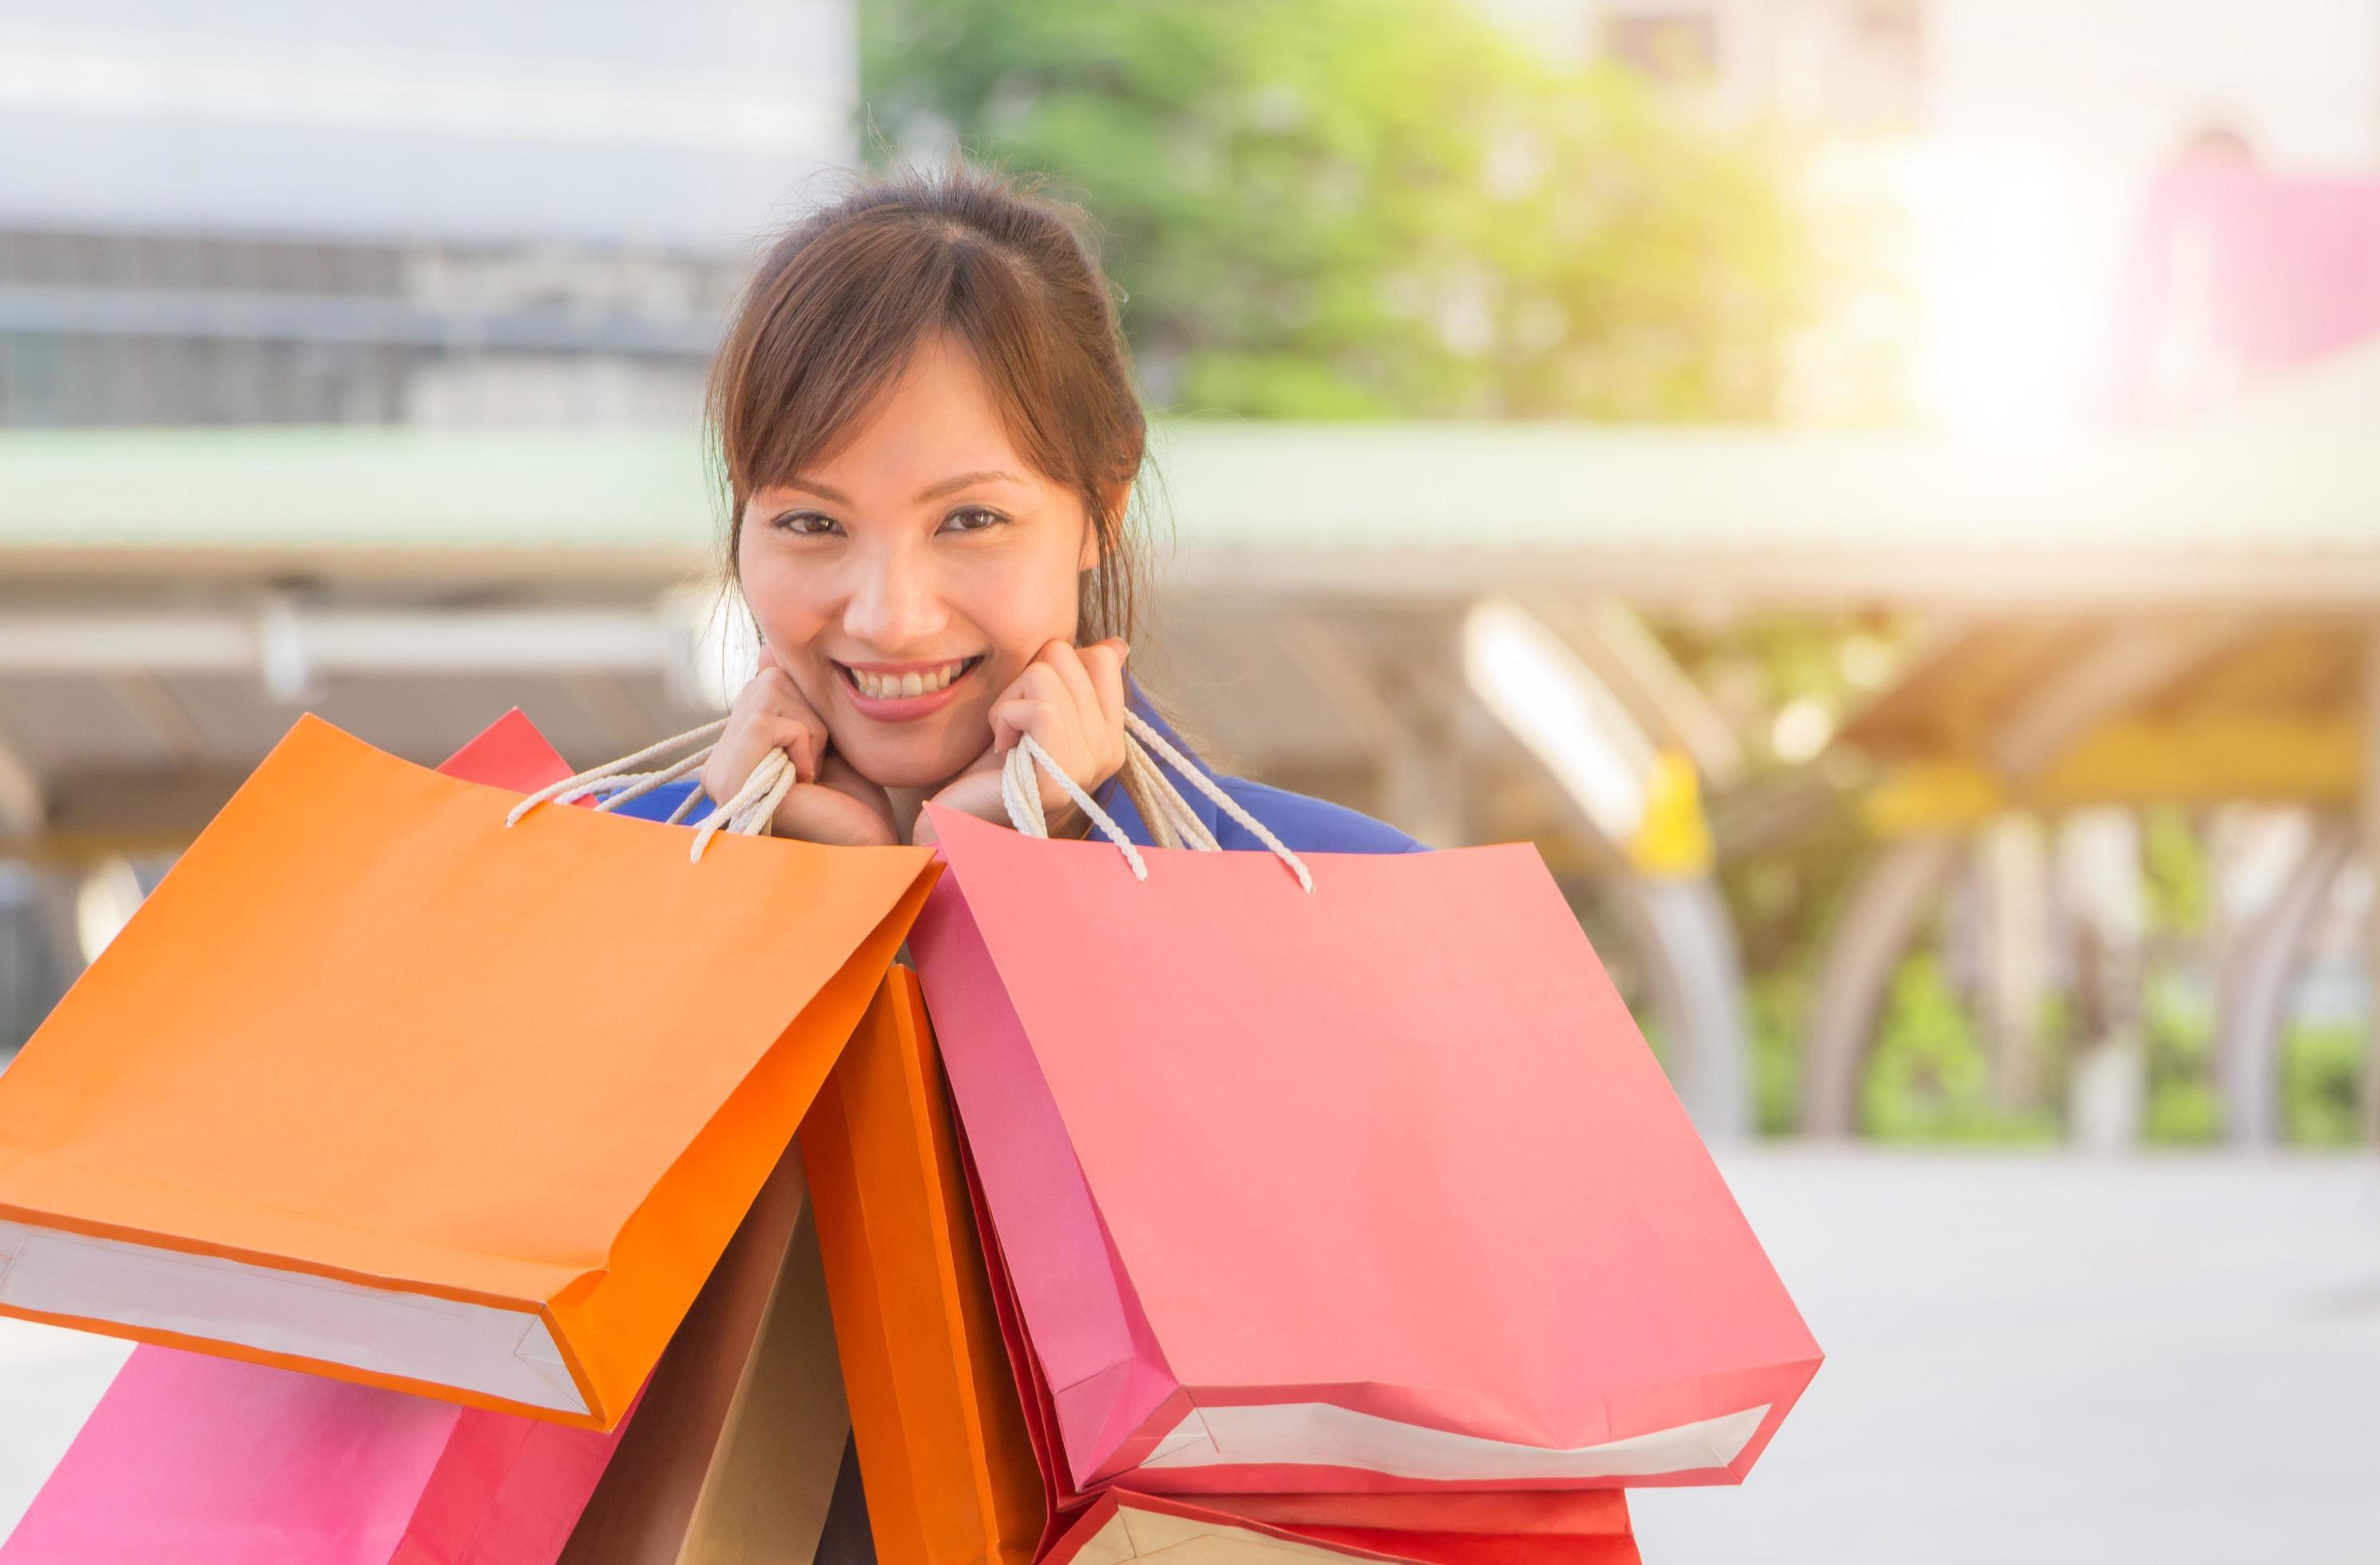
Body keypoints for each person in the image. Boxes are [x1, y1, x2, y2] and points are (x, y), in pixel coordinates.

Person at [623, 160, 1427, 862]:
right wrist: (794, 905)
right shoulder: (585, 889)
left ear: (1103, 505)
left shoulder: (1356, 899)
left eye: (970, 520)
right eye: (812, 523)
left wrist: (1005, 892)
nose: (889, 619)